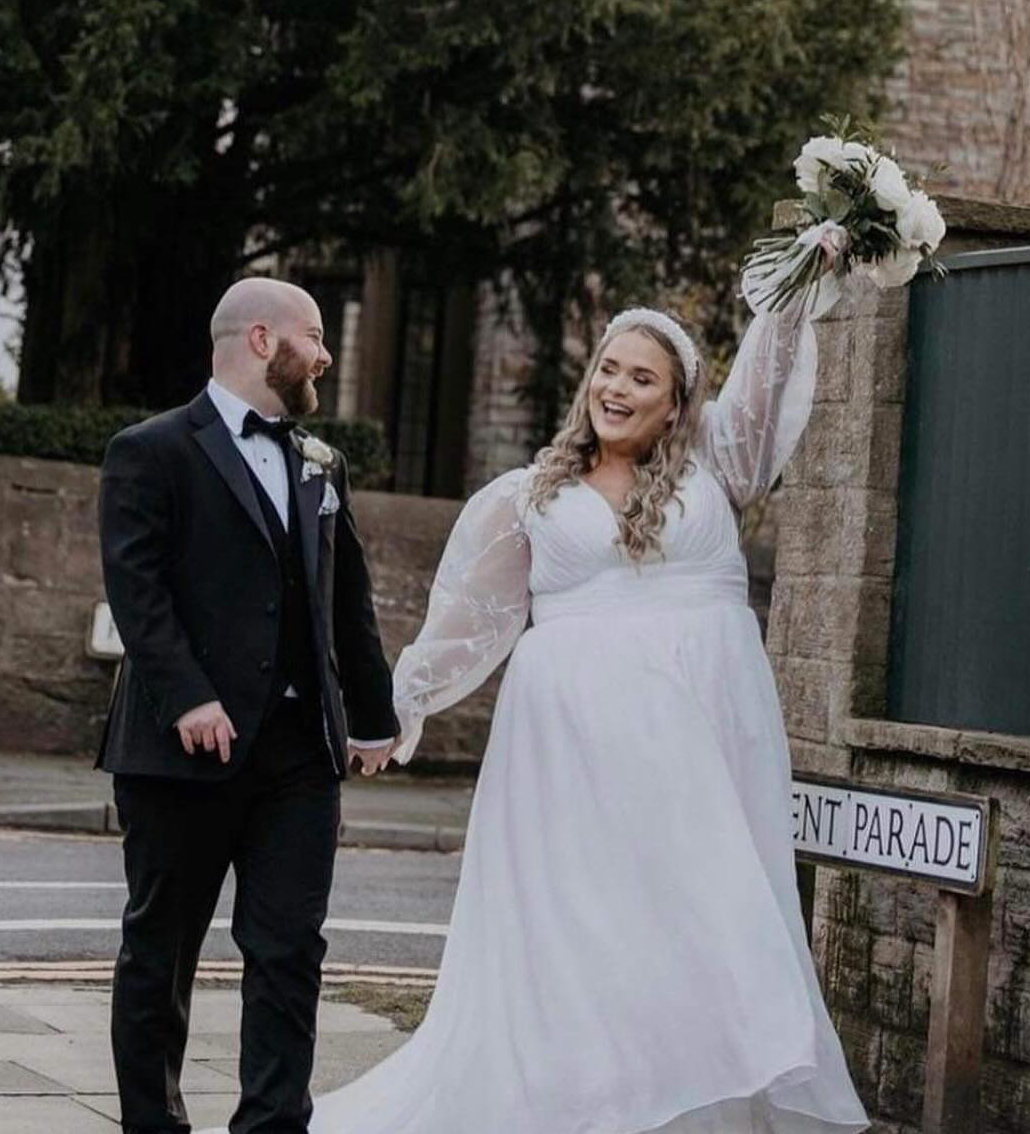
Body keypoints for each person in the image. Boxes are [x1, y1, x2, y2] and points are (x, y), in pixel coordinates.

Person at [226, 259, 870, 1134]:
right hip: (572, 751)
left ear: (677, 403)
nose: (616, 387)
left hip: (704, 738)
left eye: (642, 378)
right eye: (607, 368)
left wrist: (801, 283)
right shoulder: (529, 496)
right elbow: (465, 622)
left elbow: (766, 374)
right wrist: (391, 715)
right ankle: (585, 1102)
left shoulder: (720, 461)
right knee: (586, 927)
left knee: (704, 915)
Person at [97, 276, 400, 1134]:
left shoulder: (319, 460)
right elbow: (137, 589)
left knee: (289, 953)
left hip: (299, 757)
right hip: (182, 752)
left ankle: (271, 1127)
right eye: (314, 334)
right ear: (263, 341)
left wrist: (372, 718)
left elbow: (349, 603)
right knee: (162, 951)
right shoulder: (150, 450)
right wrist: (188, 696)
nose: (327, 353)